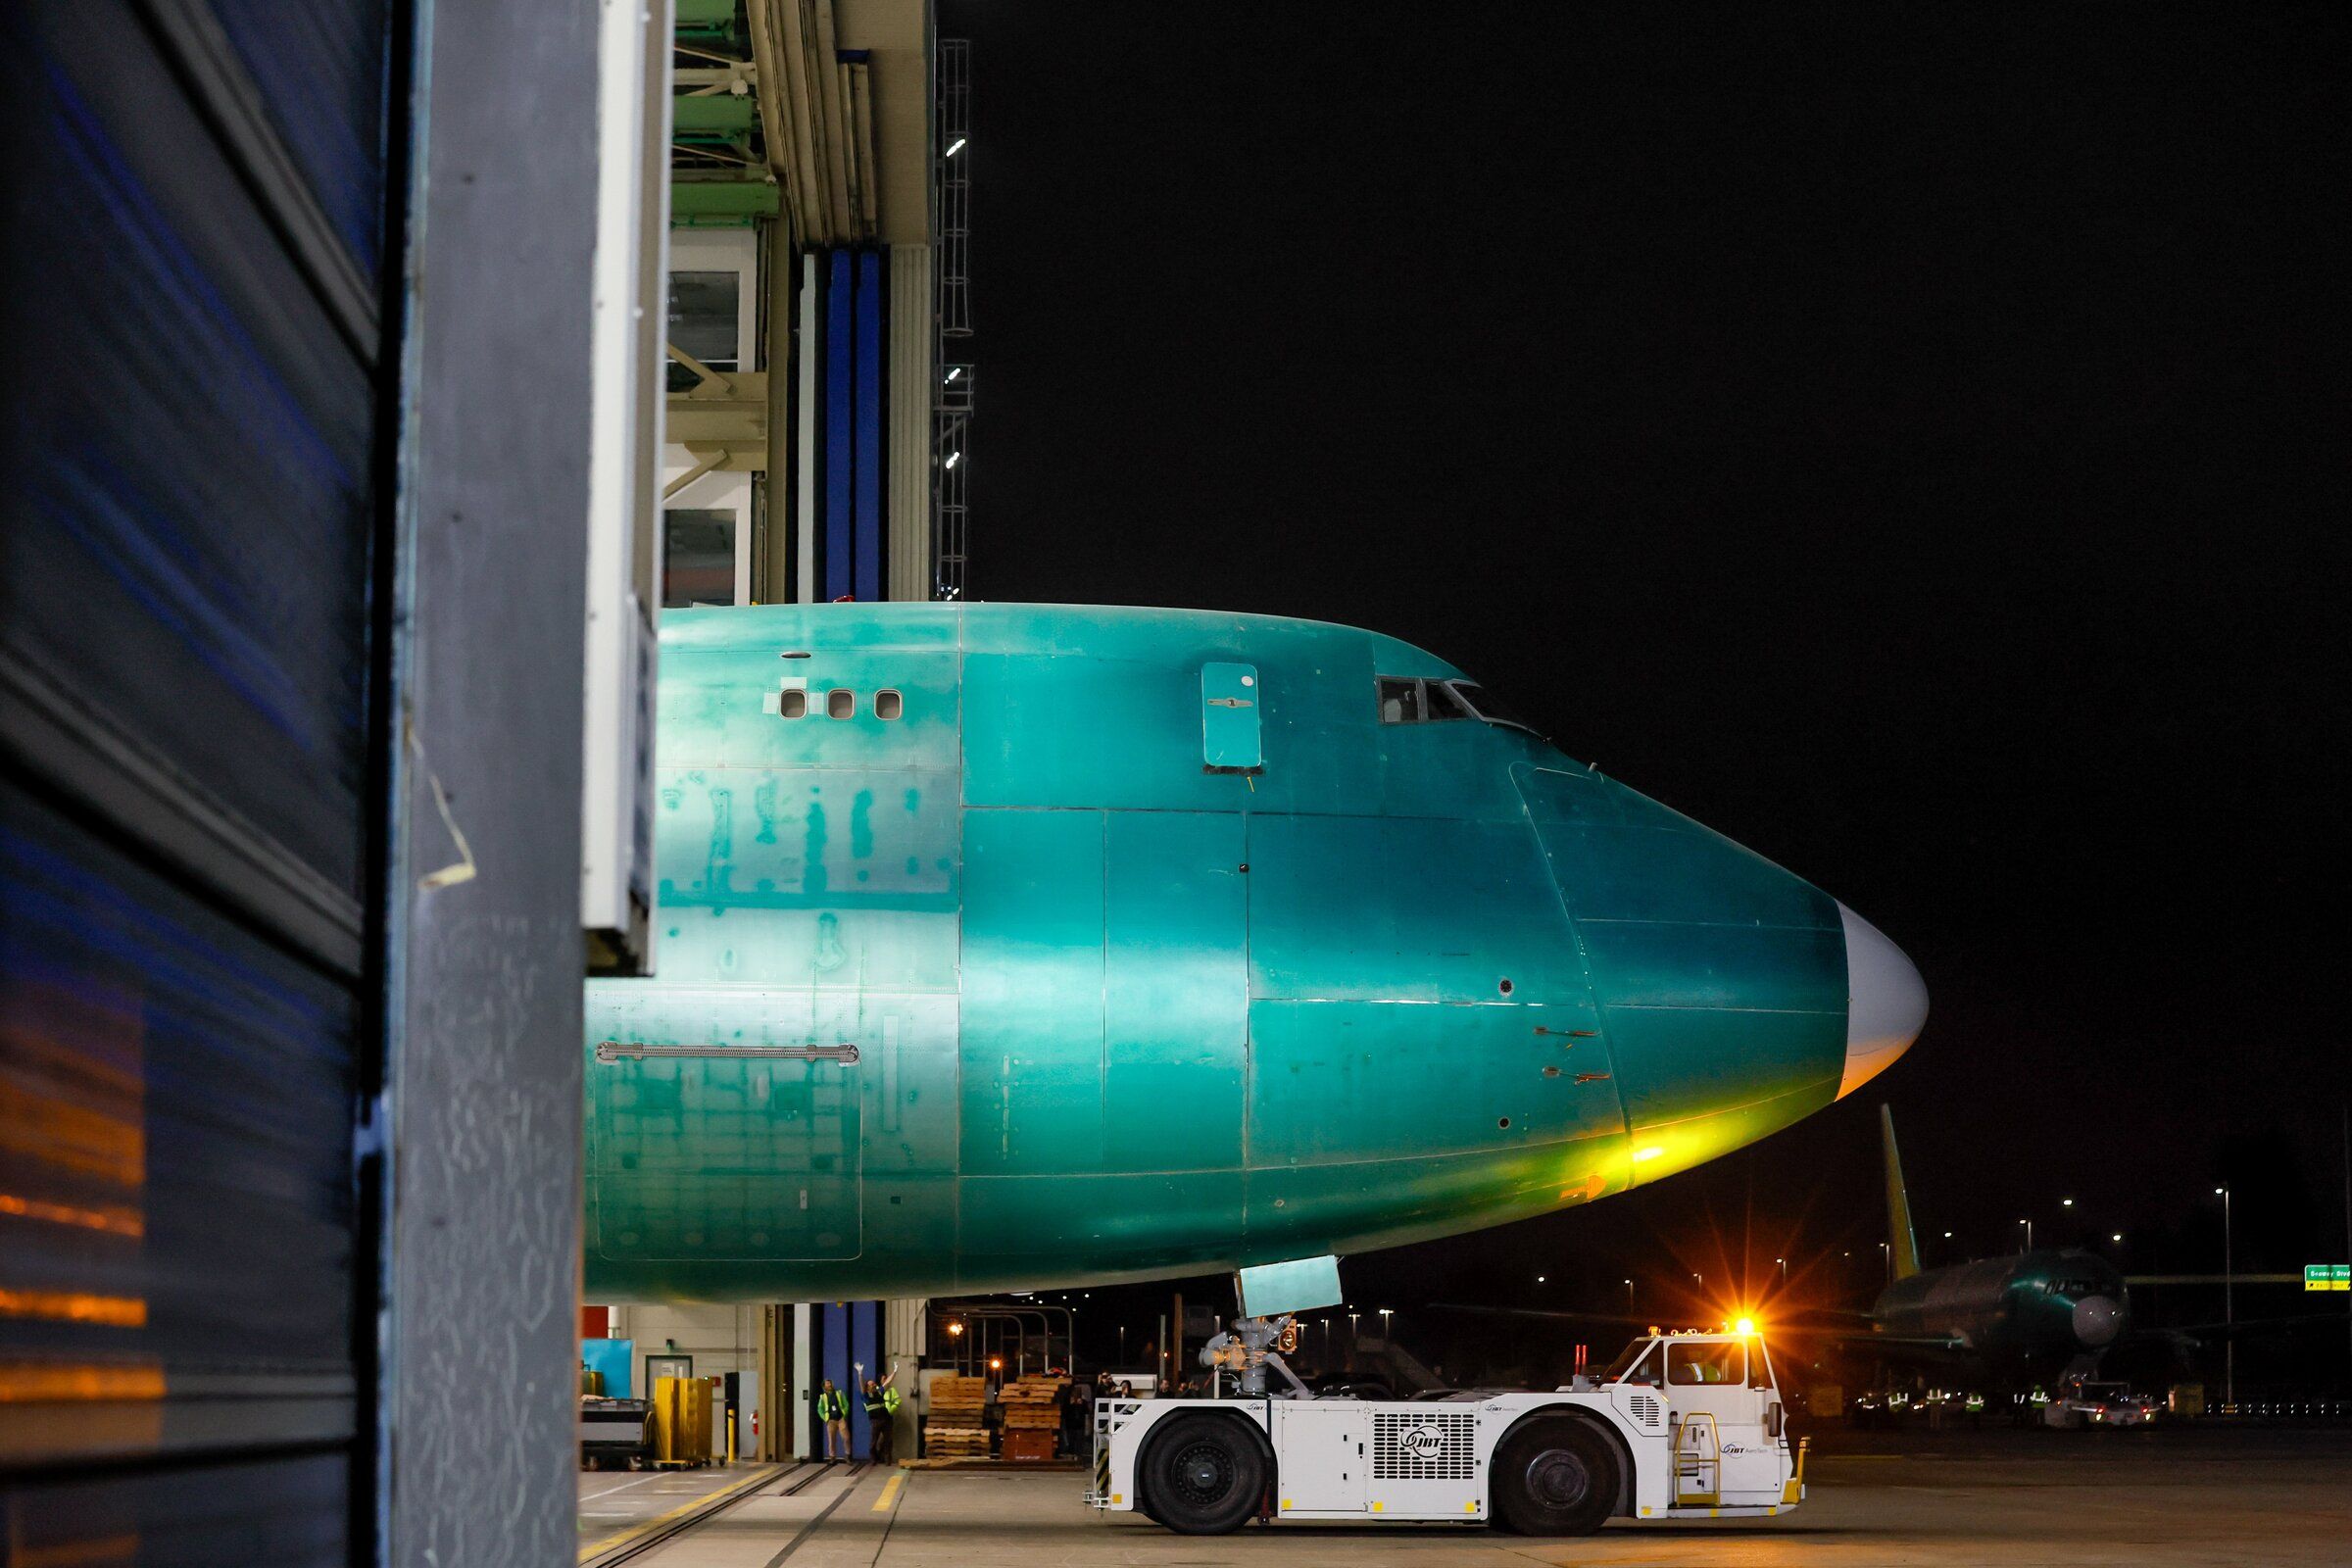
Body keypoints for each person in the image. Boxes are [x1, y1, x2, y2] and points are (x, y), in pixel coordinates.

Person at [861, 1372, 901, 1464]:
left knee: (888, 1440)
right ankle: (873, 1459)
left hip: (886, 1419)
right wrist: (860, 1374)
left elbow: (887, 1381)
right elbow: (861, 1384)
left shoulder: (879, 1392)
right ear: (867, 1388)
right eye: (871, 1384)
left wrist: (895, 1371)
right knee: (873, 1441)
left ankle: (887, 1459)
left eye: (874, 1383)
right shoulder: (866, 1396)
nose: (874, 1385)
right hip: (875, 1421)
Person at [816, 1378, 850, 1460]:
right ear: (824, 1386)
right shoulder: (823, 1397)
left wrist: (844, 1414)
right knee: (832, 1439)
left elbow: (846, 1404)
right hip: (831, 1420)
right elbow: (820, 1409)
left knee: (846, 1437)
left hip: (840, 1419)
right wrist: (825, 1418)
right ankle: (832, 1457)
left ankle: (847, 1455)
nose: (829, 1385)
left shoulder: (839, 1393)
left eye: (830, 1383)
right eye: (827, 1383)